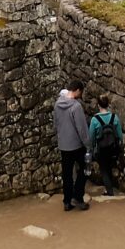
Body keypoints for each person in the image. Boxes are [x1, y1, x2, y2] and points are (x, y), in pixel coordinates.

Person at [53, 83, 91, 211]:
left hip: (63, 145)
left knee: (67, 174)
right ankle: (78, 197)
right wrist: (88, 145)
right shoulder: (76, 106)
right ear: (77, 90)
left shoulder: (57, 104)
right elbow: (82, 129)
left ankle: (67, 202)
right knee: (86, 169)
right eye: (80, 92)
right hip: (76, 145)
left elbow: (56, 124)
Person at [88, 97, 125, 197]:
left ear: (98, 105)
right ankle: (110, 188)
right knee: (109, 166)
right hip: (113, 148)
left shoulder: (95, 120)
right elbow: (120, 135)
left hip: (101, 149)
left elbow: (91, 137)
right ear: (108, 104)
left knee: (104, 169)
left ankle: (109, 191)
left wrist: (91, 149)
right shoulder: (114, 117)